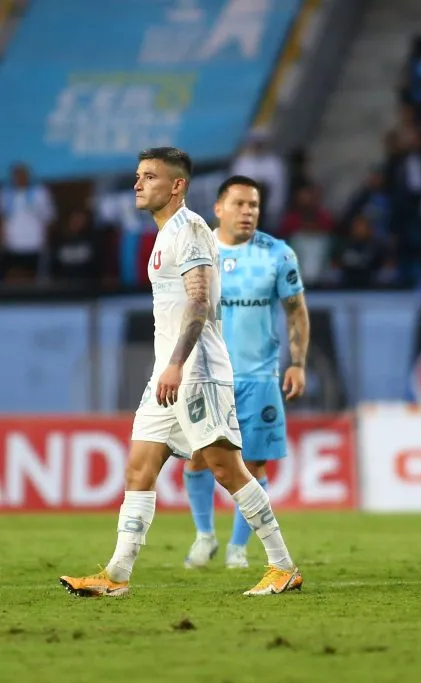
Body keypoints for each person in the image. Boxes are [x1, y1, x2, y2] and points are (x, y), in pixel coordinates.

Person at [59, 148, 302, 597]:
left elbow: (200, 301)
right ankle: (116, 575)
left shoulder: (188, 229)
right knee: (139, 468)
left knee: (226, 469)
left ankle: (282, 566)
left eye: (149, 176)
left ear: (177, 186)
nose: (138, 184)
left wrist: (175, 363)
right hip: (169, 371)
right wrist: (167, 366)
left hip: (197, 370)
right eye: (137, 176)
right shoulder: (165, 234)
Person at [182, 175, 309, 570]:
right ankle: (204, 535)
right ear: (218, 208)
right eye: (239, 204)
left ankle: (238, 548)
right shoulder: (198, 252)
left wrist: (298, 363)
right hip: (206, 376)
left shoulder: (278, 254)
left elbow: (296, 312)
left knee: (252, 465)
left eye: (253, 205)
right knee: (197, 459)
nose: (248, 211)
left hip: (259, 377)